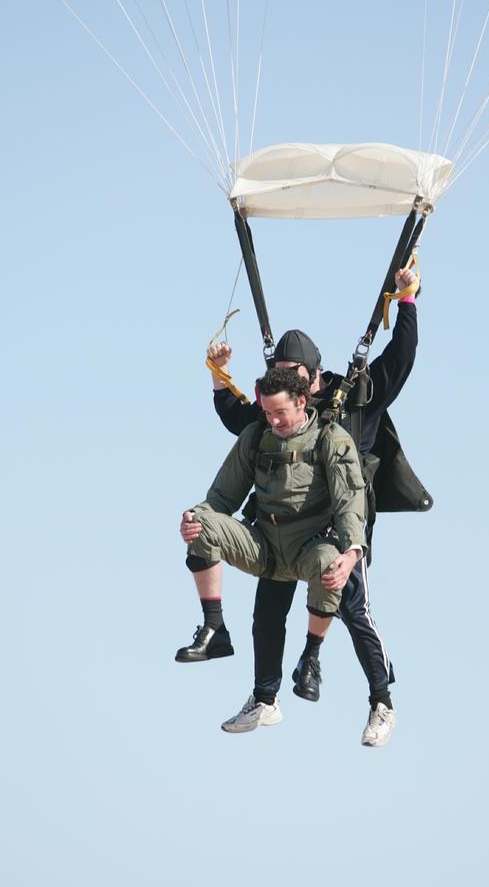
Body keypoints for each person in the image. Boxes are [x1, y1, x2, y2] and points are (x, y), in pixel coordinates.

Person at [176, 263, 423, 747]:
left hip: (337, 529)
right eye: (278, 376)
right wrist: (218, 375)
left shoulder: (356, 398)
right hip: (279, 526)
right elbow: (241, 425)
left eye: (293, 377)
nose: (284, 385)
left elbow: (402, 357)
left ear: (311, 376)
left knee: (354, 608)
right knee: (268, 609)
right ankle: (264, 697)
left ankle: (381, 700)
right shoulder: (277, 411)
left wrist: (407, 300)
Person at [179, 367, 366, 735]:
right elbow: (220, 497)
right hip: (263, 544)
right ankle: (215, 628)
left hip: (309, 547)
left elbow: (350, 501)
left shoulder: (330, 438)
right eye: (267, 413)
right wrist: (193, 518)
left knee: (331, 564)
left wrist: (353, 552)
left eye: (280, 413)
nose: (274, 420)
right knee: (200, 520)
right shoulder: (256, 437)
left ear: (301, 402)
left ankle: (310, 657)